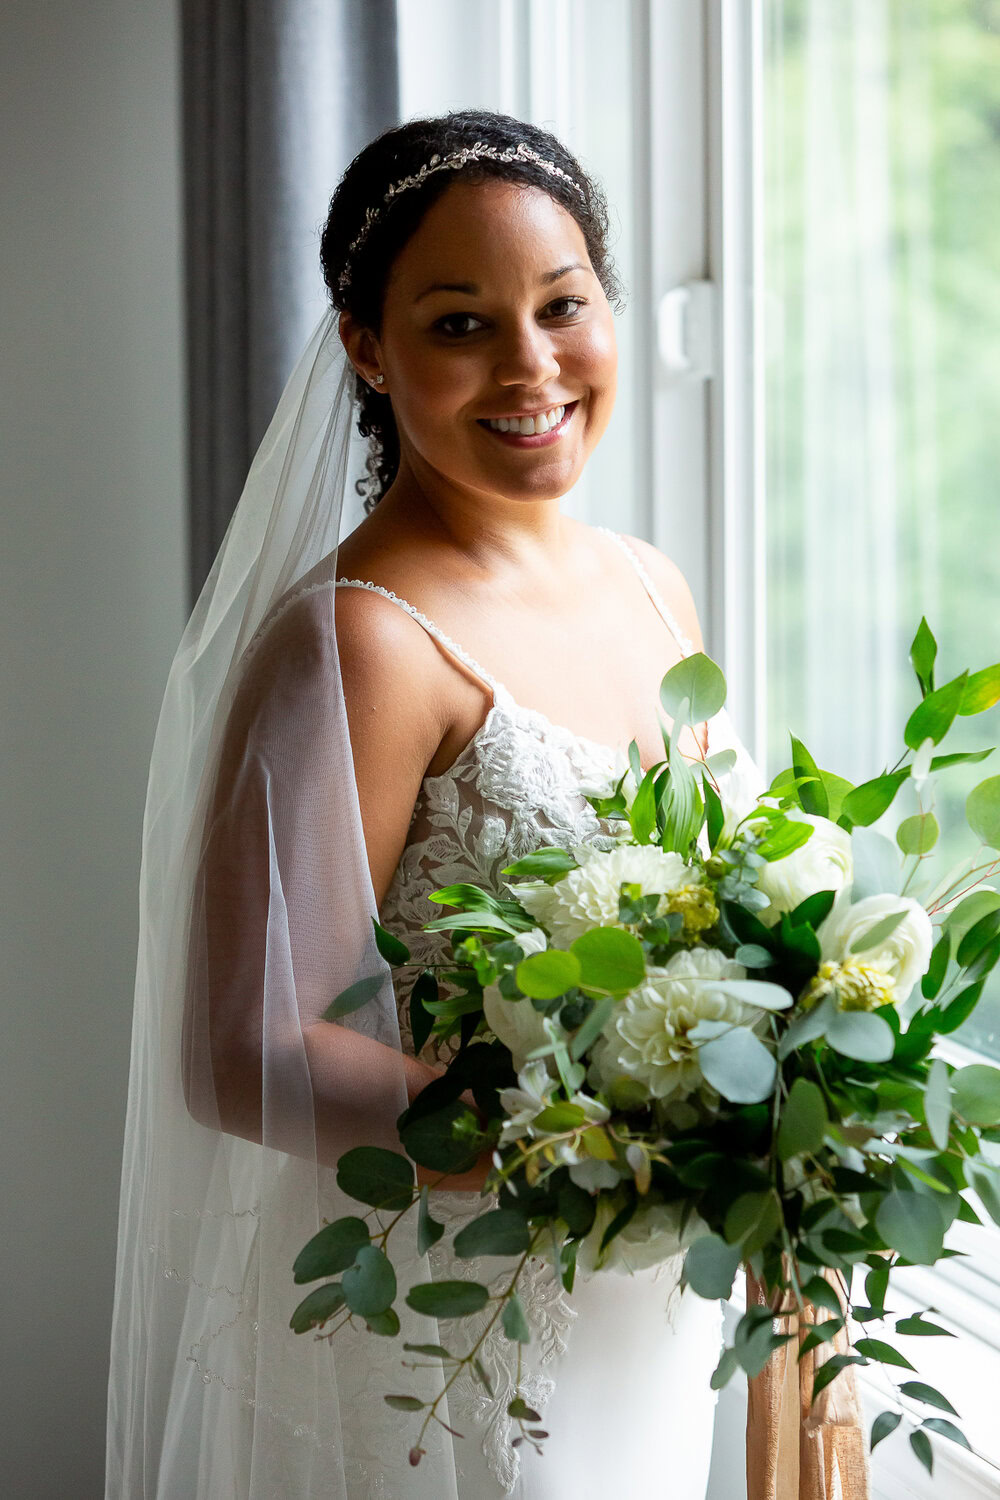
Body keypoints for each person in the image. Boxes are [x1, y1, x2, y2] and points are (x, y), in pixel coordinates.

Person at [105, 109, 772, 1500]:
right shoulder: (361, 640)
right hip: (464, 1320)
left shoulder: (656, 587)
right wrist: (565, 1137)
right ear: (365, 345)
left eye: (562, 305)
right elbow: (240, 1050)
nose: (532, 366)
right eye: (462, 323)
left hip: (647, 1300)